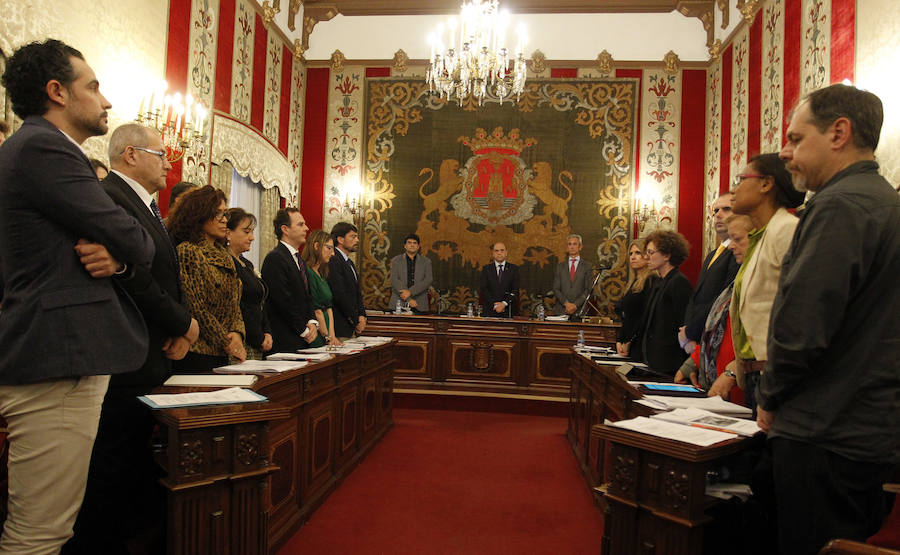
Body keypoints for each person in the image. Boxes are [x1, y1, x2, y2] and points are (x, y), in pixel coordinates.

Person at [0, 39, 155, 553]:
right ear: (57, 92)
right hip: (56, 356)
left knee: (50, 525)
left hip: (59, 353)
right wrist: (126, 250)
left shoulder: (39, 149)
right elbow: (135, 235)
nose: (106, 100)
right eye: (93, 86)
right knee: (40, 532)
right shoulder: (45, 147)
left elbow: (124, 249)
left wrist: (119, 258)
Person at [759, 84, 899, 555]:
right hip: (862, 427)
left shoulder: (840, 205)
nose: (786, 151)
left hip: (824, 431)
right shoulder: (882, 201)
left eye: (797, 139)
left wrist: (771, 396)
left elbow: (803, 324)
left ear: (839, 132)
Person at [66, 123, 200, 554]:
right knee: (110, 470)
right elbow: (132, 277)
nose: (168, 163)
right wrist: (182, 322)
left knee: (133, 466)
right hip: (125, 356)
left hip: (151, 349)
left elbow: (161, 275)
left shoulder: (144, 203)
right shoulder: (112, 199)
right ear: (130, 156)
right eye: (160, 155)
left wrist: (177, 329)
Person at [729, 152, 805, 410]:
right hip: (754, 375)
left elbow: (795, 315)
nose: (733, 188)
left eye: (741, 179)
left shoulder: (786, 230)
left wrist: (773, 388)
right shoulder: (760, 236)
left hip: (773, 376)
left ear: (766, 184)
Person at [675, 214, 753, 405]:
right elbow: (719, 326)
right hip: (718, 380)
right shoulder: (735, 283)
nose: (731, 246)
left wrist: (734, 370)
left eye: (738, 239)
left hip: (740, 386)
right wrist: (694, 359)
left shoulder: (759, 280)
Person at [168, 186, 246, 370]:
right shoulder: (188, 251)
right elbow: (196, 308)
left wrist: (237, 333)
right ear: (200, 214)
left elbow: (235, 304)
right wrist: (226, 341)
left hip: (223, 351)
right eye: (218, 214)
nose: (224, 220)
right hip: (199, 351)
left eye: (225, 214)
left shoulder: (224, 255)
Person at [678, 193, 739, 354]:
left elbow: (722, 299)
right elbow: (696, 298)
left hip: (715, 340)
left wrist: (690, 333)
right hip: (697, 339)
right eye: (716, 210)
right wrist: (687, 332)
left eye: (726, 209)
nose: (718, 214)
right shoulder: (712, 255)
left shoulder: (738, 253)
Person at [262, 208, 319, 352]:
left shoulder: (298, 259)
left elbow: (307, 296)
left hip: (302, 338)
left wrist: (312, 322)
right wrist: (303, 330)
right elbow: (282, 300)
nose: (306, 228)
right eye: (300, 224)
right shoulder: (275, 258)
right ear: (285, 229)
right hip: (284, 339)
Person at [639, 230, 693, 375]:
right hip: (654, 359)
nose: (646, 257)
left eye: (651, 252)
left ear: (667, 255)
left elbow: (683, 323)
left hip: (669, 362)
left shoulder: (679, 282)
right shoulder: (660, 282)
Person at [225, 207, 272, 359]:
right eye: (246, 232)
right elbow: (239, 304)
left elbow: (260, 301)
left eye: (252, 232)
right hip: (242, 339)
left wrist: (267, 331)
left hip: (259, 338)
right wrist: (258, 337)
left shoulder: (247, 263)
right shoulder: (226, 262)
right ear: (228, 233)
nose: (252, 237)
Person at [614, 240, 658, 359]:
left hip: (640, 343)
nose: (633, 257)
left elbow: (645, 317)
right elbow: (627, 317)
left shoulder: (651, 281)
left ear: (647, 255)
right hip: (627, 341)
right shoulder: (632, 283)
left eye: (638, 253)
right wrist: (619, 340)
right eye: (631, 253)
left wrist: (630, 342)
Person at [303, 230, 342, 347]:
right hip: (317, 330)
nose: (333, 253)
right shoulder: (308, 272)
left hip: (326, 331)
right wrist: (327, 336)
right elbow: (317, 310)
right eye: (329, 248)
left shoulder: (321, 273)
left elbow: (329, 308)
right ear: (316, 246)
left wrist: (332, 336)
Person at [328, 222, 367, 338]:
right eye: (353, 236)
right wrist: (355, 320)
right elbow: (339, 294)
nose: (357, 240)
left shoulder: (349, 262)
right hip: (340, 325)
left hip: (350, 325)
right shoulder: (334, 259)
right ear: (340, 239)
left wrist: (362, 316)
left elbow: (356, 293)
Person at [388, 233, 433, 314]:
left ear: (418, 246)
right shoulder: (396, 260)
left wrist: (410, 292)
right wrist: (409, 299)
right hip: (398, 303)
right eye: (409, 242)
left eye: (414, 243)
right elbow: (394, 280)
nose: (412, 245)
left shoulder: (426, 261)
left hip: (419, 304)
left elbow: (428, 280)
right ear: (405, 246)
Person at [552, 234, 595, 318]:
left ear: (580, 247)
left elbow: (589, 289)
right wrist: (566, 304)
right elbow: (556, 288)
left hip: (580, 311)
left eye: (575, 244)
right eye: (569, 244)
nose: (572, 247)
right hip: (561, 310)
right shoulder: (560, 266)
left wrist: (575, 305)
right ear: (567, 247)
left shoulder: (587, 266)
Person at [479, 241, 520, 318]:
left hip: (508, 311)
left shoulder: (514, 269)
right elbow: (484, 289)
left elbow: (515, 290)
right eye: (496, 251)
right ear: (493, 253)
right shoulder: (486, 269)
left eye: (502, 250)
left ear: (506, 253)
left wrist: (504, 304)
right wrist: (496, 305)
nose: (499, 253)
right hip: (490, 310)